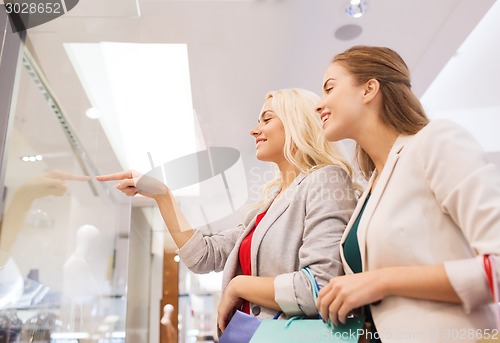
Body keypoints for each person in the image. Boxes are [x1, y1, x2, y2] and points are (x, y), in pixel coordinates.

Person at [96, 88, 358, 333]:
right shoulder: (266, 209)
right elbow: (202, 257)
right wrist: (163, 195)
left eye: (267, 119)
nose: (254, 130)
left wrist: (238, 286)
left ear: (296, 123)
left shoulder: (325, 179)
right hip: (254, 334)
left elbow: (318, 287)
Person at [315, 45, 500, 343]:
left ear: (369, 89)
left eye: (329, 88)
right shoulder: (370, 189)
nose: (319, 104)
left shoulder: (435, 142)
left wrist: (382, 281)